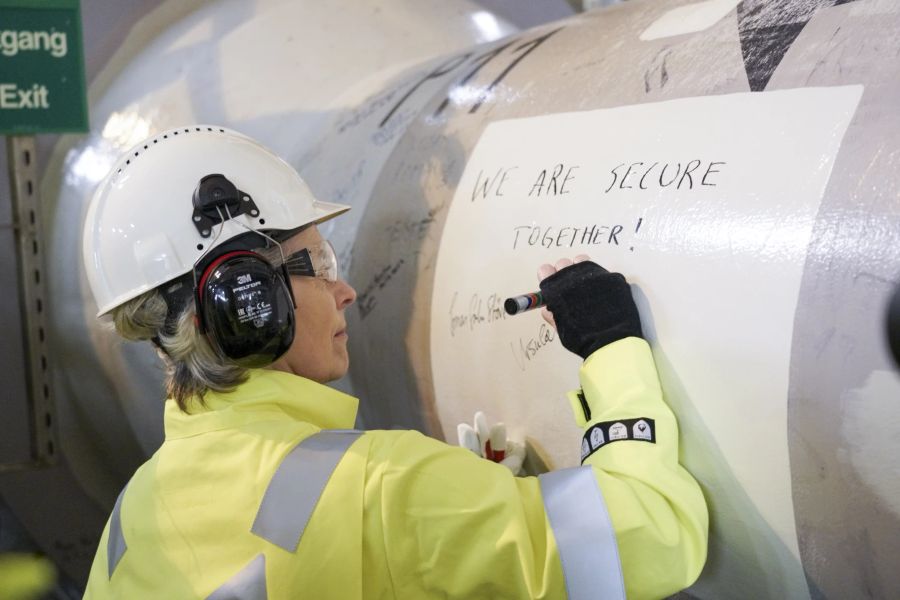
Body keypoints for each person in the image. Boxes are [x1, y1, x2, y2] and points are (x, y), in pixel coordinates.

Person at [81, 125, 707, 599]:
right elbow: (656, 534)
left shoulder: (131, 516)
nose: (344, 290)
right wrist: (611, 349)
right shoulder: (383, 487)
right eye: (319, 265)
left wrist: (456, 504)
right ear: (250, 304)